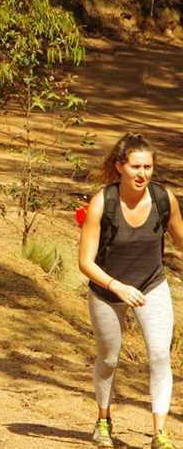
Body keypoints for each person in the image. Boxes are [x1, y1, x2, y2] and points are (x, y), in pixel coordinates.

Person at [79, 132, 183, 449]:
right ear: (120, 166)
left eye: (148, 167)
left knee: (159, 355)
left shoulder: (164, 200)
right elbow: (84, 262)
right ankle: (103, 420)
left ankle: (159, 434)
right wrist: (117, 286)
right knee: (109, 358)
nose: (142, 174)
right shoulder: (103, 202)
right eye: (136, 167)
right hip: (108, 289)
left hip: (152, 284)